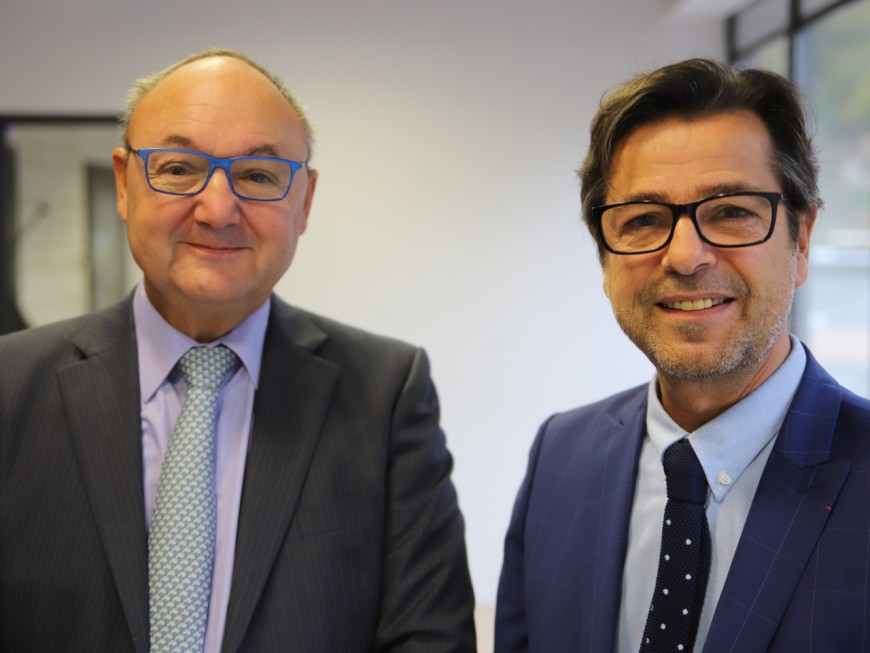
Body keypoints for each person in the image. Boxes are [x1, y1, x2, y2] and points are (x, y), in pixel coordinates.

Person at [0, 48, 475, 652]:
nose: (218, 210)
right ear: (124, 184)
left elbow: (429, 638)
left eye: (258, 175)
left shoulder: (386, 395)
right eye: (178, 169)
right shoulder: (10, 385)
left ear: (304, 202)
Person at [495, 58, 870, 652]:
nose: (686, 256)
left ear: (800, 239)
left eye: (732, 212)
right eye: (644, 219)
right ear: (604, 255)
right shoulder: (560, 455)